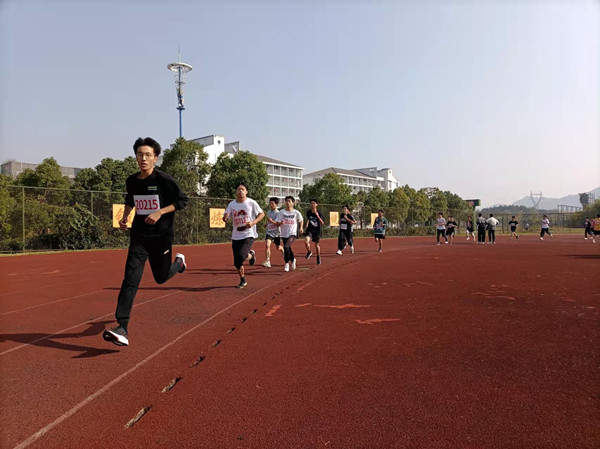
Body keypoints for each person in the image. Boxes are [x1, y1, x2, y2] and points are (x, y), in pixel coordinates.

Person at [103, 137, 188, 347]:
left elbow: (183, 201)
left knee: (160, 278)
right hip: (139, 237)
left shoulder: (164, 180)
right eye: (140, 154)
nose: (143, 158)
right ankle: (122, 327)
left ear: (155, 158)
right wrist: (125, 218)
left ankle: (179, 264)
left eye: (148, 155)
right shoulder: (132, 181)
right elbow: (130, 200)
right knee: (130, 279)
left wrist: (160, 212)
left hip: (161, 237)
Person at [223, 182, 265, 288]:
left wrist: (253, 222)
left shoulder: (251, 203)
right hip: (236, 235)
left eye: (242, 189)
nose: (240, 191)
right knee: (237, 262)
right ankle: (243, 280)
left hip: (248, 234)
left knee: (242, 256)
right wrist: (225, 218)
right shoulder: (232, 204)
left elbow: (262, 214)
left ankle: (250, 255)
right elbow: (226, 216)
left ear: (246, 192)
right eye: (238, 189)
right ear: (236, 192)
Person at [276, 196, 304, 272]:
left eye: (289, 201)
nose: (287, 203)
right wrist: (280, 223)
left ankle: (286, 263)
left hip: (292, 233)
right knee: (288, 248)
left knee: (286, 246)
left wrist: (301, 227)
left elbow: (301, 220)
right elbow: (277, 222)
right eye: (286, 201)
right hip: (284, 233)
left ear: (293, 203)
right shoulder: (281, 212)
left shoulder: (296, 212)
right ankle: (293, 259)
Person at [263, 197, 283, 268]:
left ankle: (283, 251)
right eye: (270, 203)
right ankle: (268, 261)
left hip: (277, 233)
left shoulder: (279, 213)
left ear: (276, 204)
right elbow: (269, 220)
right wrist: (267, 224)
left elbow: (279, 224)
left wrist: (272, 222)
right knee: (267, 245)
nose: (271, 205)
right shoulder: (268, 212)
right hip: (269, 232)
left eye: (272, 203)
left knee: (278, 247)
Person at [303, 199, 325, 265]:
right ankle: (309, 252)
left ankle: (318, 257)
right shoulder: (308, 212)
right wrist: (306, 224)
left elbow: (322, 223)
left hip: (317, 231)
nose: (312, 205)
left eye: (314, 203)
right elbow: (308, 219)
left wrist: (317, 216)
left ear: (316, 205)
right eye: (311, 203)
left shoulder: (319, 213)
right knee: (306, 241)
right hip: (310, 230)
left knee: (316, 245)